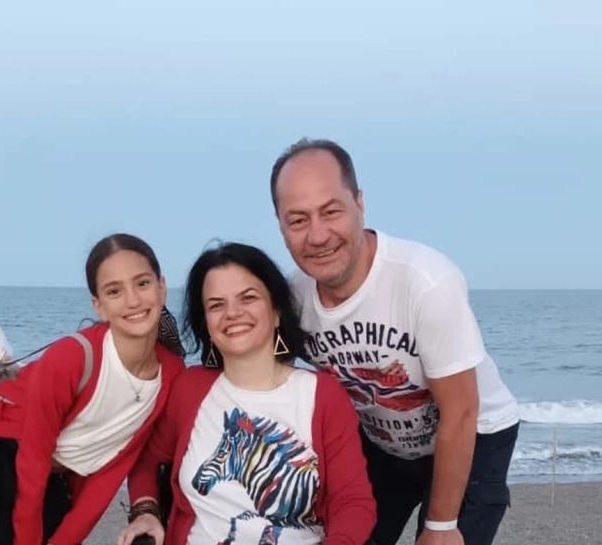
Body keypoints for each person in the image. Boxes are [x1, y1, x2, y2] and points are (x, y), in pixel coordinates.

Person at [269, 139, 520, 545]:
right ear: (280, 226)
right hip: (384, 439)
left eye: (331, 212)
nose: (317, 236)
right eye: (298, 220)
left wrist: (440, 526)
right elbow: (261, 375)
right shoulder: (294, 299)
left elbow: (461, 411)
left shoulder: (425, 282)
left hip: (474, 434)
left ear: (359, 203)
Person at [0, 233, 185, 545]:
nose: (133, 300)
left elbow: (110, 472)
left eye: (143, 283)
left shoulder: (172, 374)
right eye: (114, 291)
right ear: (99, 306)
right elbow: (33, 459)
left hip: (51, 482)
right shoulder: (72, 357)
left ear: (162, 287)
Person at [117, 242, 376, 545]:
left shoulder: (322, 395)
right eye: (216, 305)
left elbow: (353, 502)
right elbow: (145, 458)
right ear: (206, 323)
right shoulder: (190, 388)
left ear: (276, 311)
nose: (232, 313)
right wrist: (145, 511)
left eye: (248, 298)